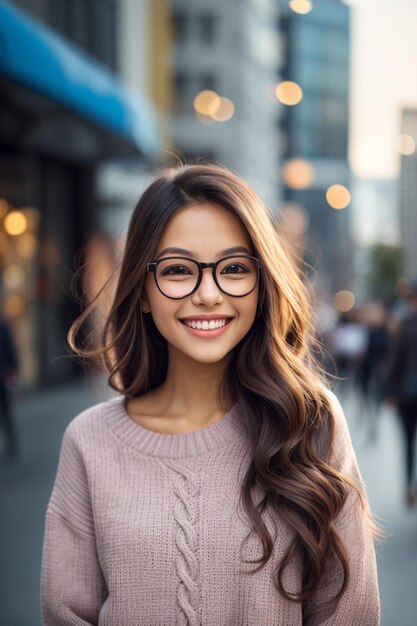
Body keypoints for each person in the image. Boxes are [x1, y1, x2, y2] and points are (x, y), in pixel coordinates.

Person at [40, 163, 381, 625]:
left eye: (235, 268)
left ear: (261, 285)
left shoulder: (310, 422)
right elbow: (66, 615)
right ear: (142, 290)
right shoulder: (89, 441)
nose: (208, 294)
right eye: (179, 270)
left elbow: (350, 614)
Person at [385, 277, 417, 507]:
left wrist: (391, 392)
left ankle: (409, 486)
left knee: (408, 443)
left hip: (407, 395)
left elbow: (395, 362)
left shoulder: (403, 324)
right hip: (406, 393)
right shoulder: (402, 323)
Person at [0, 312, 19, 462]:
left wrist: (13, 369)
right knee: (6, 413)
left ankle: (11, 444)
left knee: (6, 412)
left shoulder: (4, 328)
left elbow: (10, 351)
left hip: (2, 377)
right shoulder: (4, 328)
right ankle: (11, 444)